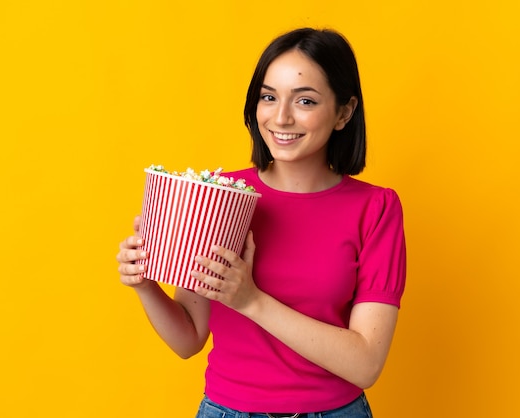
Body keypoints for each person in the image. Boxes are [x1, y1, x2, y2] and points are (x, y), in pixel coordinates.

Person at [116, 27, 406, 418]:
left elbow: (366, 364)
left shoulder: (375, 208)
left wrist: (251, 301)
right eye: (268, 97)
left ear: (344, 112)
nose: (281, 117)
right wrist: (146, 284)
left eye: (305, 100)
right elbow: (188, 340)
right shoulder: (219, 197)